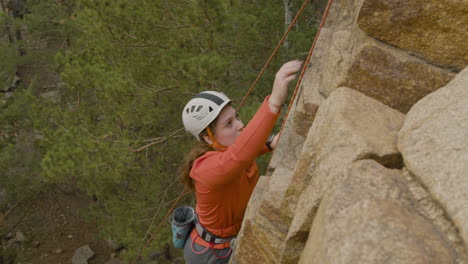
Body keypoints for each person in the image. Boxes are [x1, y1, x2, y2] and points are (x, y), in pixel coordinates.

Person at [180, 60, 302, 264]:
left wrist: (270, 143)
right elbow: (237, 157)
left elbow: (243, 151)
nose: (240, 125)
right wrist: (273, 103)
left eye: (236, 117)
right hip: (209, 256)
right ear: (209, 138)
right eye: (229, 124)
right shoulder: (205, 169)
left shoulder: (228, 153)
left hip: (227, 242)